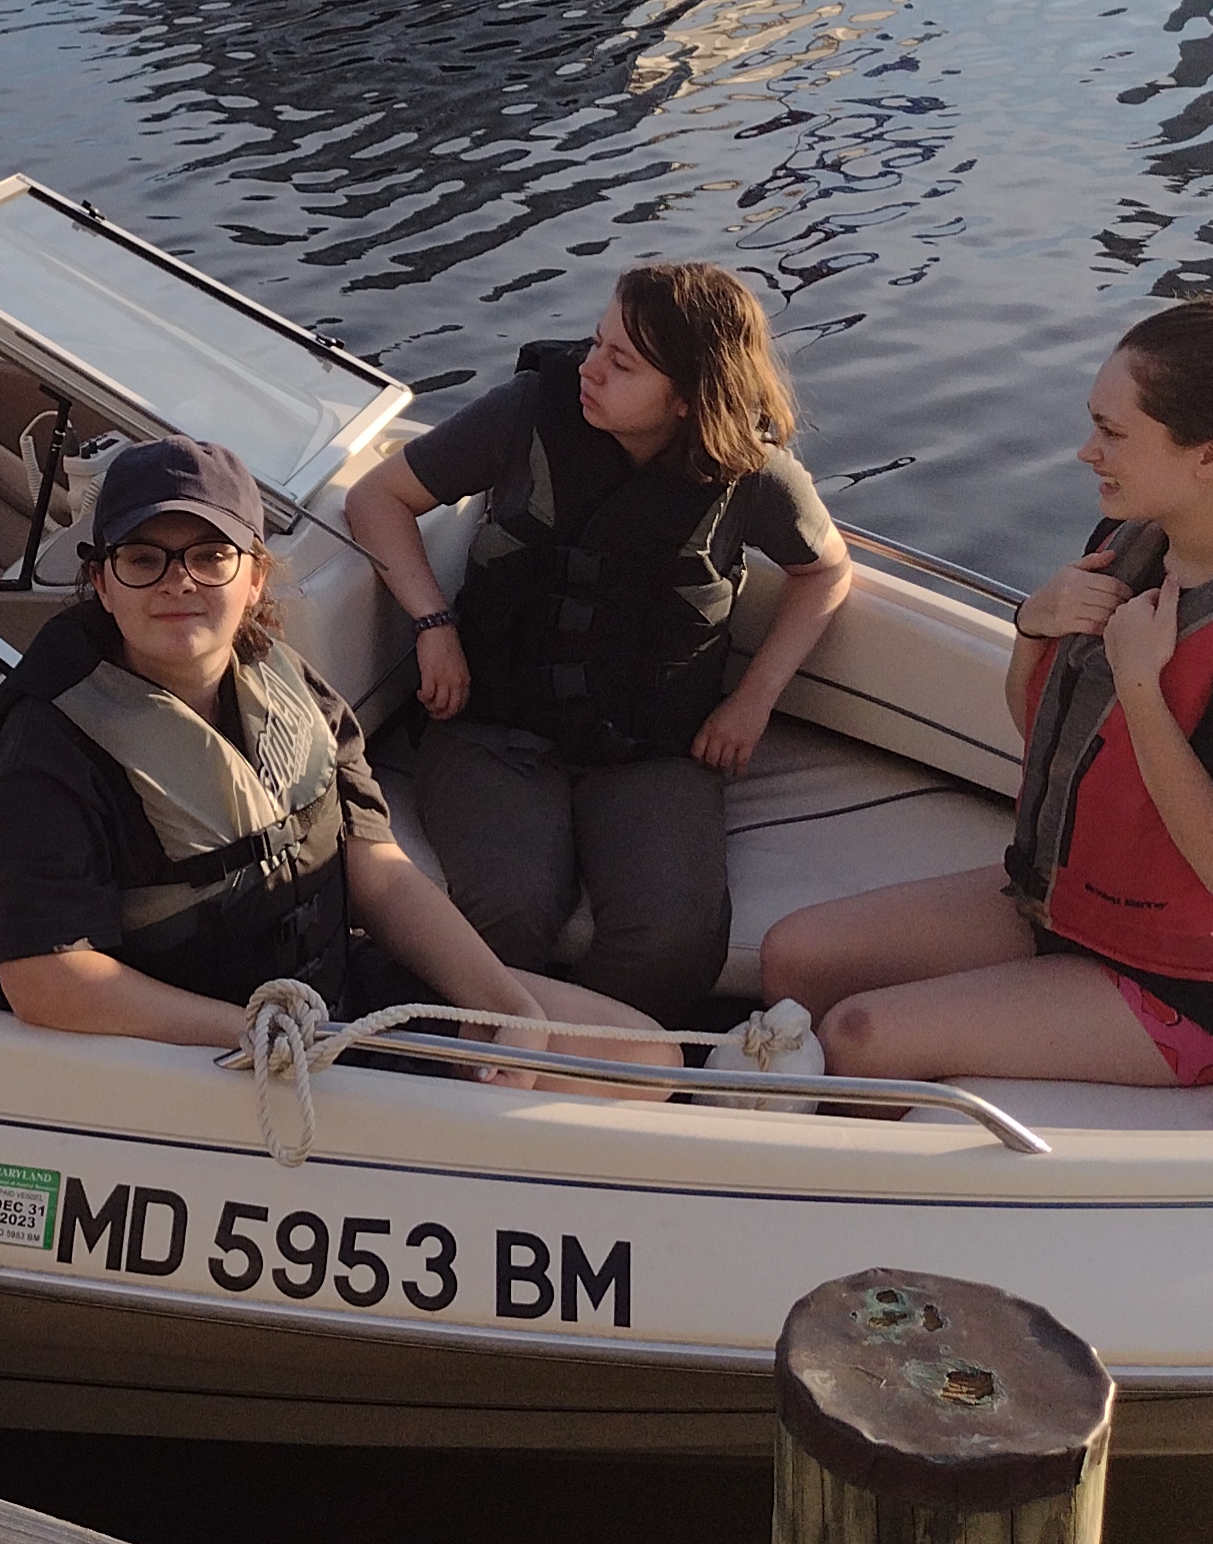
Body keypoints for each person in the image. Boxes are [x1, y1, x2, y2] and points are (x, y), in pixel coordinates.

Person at [756, 296, 1213, 1093]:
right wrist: (1035, 623)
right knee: (795, 957)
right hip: (1058, 903)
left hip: (1196, 994)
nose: (1087, 451)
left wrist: (1140, 685)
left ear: (1211, 457)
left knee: (860, 1038)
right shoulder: (1129, 542)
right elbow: (1040, 728)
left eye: (1113, 434)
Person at [0, 438, 677, 1082]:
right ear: (101, 583)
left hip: (338, 1002)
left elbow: (374, 866)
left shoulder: (287, 683)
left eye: (211, 556)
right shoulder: (47, 749)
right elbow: (45, 978)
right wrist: (265, 1036)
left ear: (254, 577)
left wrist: (502, 1004)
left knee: (645, 1061)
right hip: (207, 1058)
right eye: (142, 559)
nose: (178, 582)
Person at [338, 262, 856, 1022]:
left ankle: (595, 1058)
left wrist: (752, 701)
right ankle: (477, 1056)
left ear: (689, 397)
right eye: (595, 343)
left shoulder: (753, 477)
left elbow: (826, 572)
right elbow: (377, 497)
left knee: (672, 941)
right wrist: (433, 624)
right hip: (494, 729)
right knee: (507, 913)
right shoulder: (525, 415)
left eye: (623, 363)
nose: (589, 368)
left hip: (652, 748)